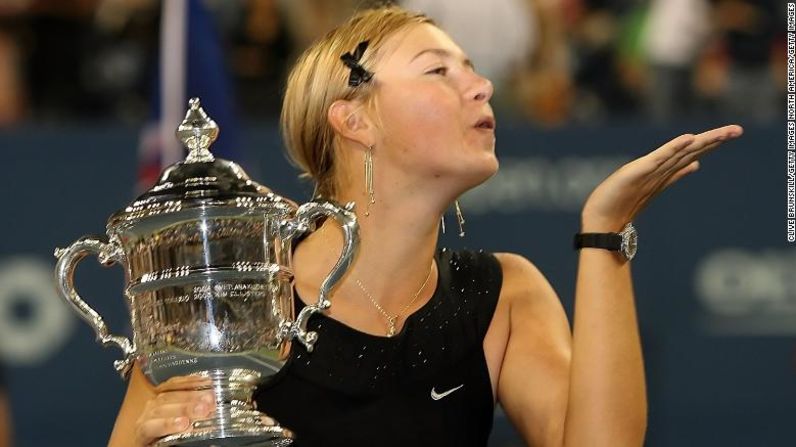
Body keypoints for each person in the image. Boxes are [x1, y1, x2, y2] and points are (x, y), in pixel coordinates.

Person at [109, 5, 742, 446]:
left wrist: (606, 233)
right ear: (354, 120)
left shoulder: (504, 296)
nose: (483, 85)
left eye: (471, 68)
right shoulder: (235, 290)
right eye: (440, 71)